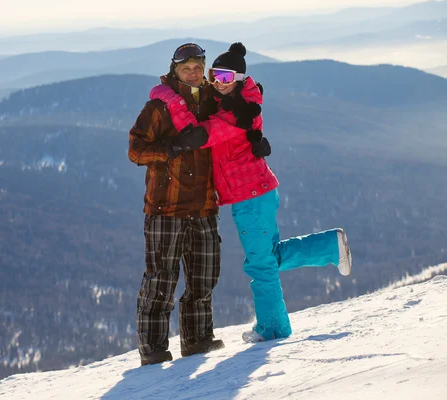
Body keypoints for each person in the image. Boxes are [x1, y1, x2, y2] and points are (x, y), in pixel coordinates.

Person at [149, 42, 353, 343]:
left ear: (240, 79)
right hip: (254, 192)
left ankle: (273, 328)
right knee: (266, 258)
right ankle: (330, 247)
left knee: (260, 264)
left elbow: (197, 134)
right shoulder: (230, 103)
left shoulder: (237, 114)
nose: (219, 81)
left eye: (228, 77)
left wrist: (166, 95)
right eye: (216, 74)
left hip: (251, 196)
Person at [128, 43, 228, 366]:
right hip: (165, 208)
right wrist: (173, 147)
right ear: (175, 71)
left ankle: (197, 340)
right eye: (186, 69)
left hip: (203, 205)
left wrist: (249, 96)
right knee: (161, 280)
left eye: (198, 68)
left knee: (204, 275)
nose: (193, 73)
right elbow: (135, 149)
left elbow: (235, 111)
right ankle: (153, 350)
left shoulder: (212, 100)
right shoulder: (159, 107)